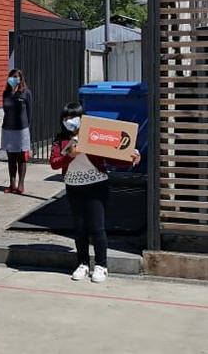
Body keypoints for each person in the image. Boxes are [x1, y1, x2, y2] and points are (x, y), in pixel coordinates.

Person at [50, 102, 140, 283]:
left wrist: (130, 159)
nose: (70, 121)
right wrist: (70, 155)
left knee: (97, 227)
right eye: (66, 118)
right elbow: (54, 162)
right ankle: (82, 263)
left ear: (82, 118)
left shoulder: (93, 136)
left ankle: (101, 265)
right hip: (73, 187)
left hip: (96, 185)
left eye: (73, 117)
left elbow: (111, 156)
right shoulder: (61, 140)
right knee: (80, 228)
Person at [1, 69, 32, 194]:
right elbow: (5, 110)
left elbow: (29, 112)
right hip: (8, 129)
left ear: (20, 79)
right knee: (11, 158)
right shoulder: (6, 93)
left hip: (22, 130)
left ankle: (20, 184)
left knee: (21, 158)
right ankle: (12, 184)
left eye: (16, 77)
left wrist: (28, 128)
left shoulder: (26, 93)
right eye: (11, 76)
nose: (13, 79)